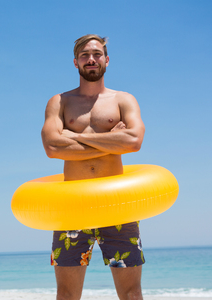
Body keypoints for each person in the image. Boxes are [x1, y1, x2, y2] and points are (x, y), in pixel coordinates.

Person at [41, 34, 146, 300]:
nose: (91, 59)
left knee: (131, 294)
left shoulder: (123, 100)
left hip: (117, 205)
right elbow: (52, 147)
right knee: (66, 295)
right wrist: (112, 139)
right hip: (72, 207)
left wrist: (75, 135)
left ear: (107, 60)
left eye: (97, 54)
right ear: (75, 62)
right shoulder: (60, 102)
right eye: (85, 55)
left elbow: (133, 141)